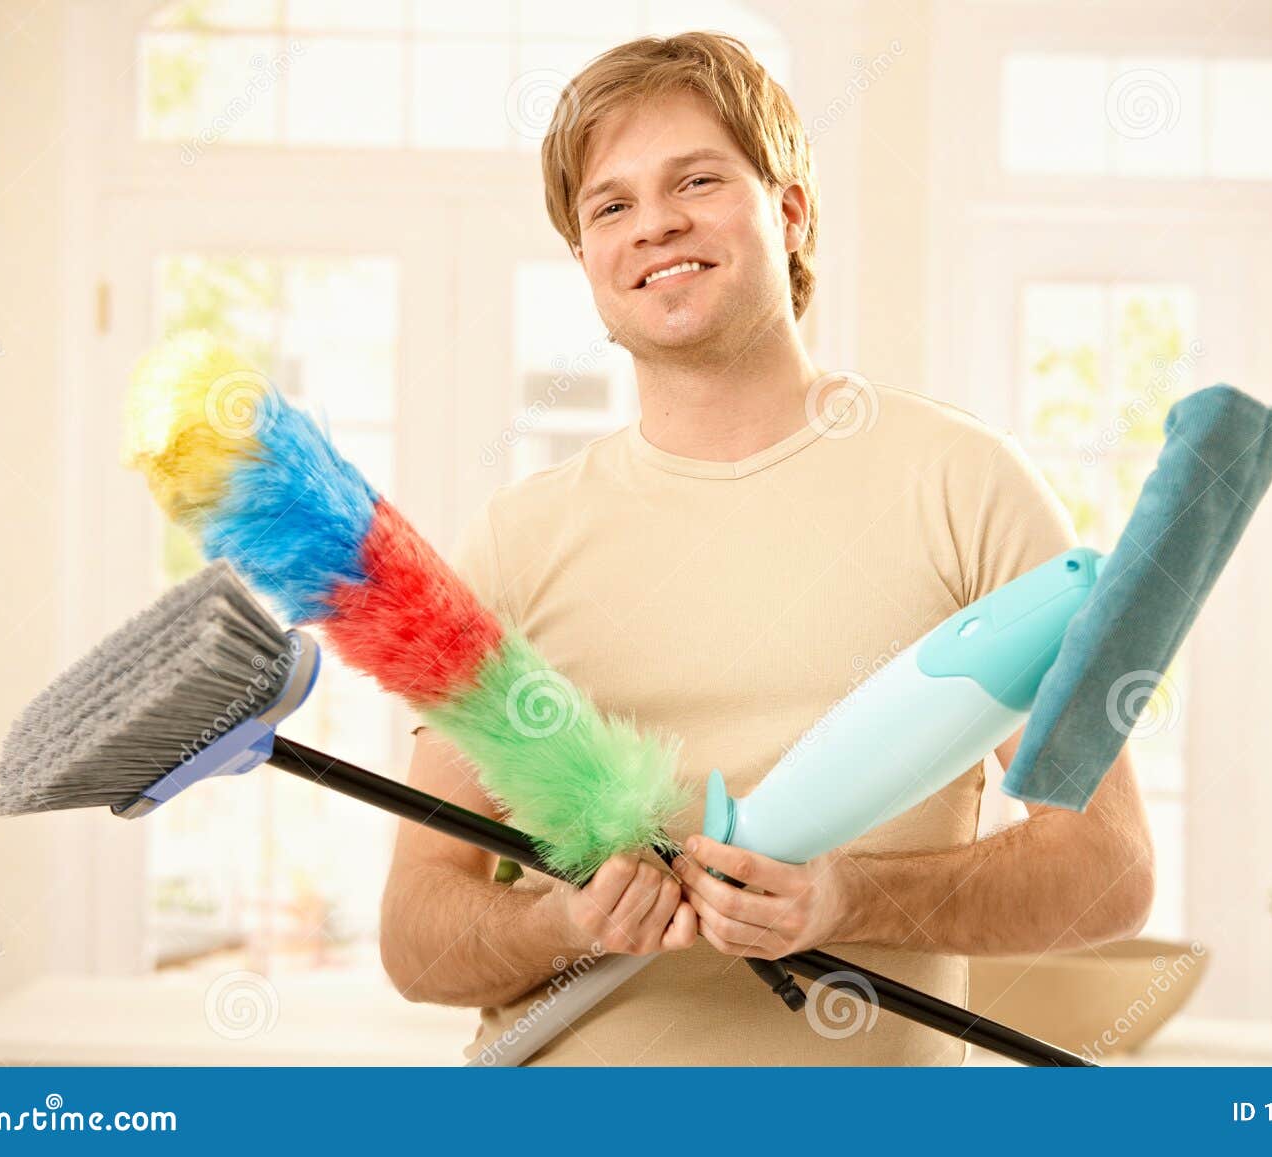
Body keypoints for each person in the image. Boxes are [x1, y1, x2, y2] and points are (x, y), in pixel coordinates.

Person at [380, 31, 1154, 1066]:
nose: (653, 223)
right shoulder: (515, 541)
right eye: (610, 205)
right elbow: (417, 935)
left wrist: (843, 897)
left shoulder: (965, 485)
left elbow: (1106, 865)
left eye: (695, 180)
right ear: (585, 262)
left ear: (789, 211)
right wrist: (563, 924)